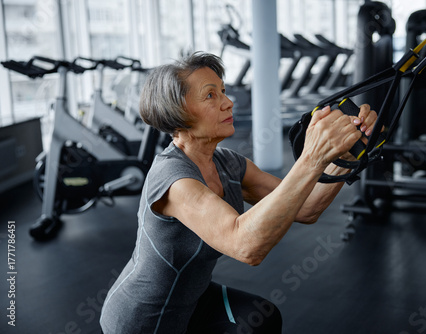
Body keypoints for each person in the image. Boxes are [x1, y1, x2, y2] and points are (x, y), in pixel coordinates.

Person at [100, 51, 379, 334]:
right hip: (141, 319)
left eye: (223, 91)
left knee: (261, 320)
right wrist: (312, 157)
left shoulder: (228, 163)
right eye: (211, 96)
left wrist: (348, 154)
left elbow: (306, 207)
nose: (228, 102)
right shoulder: (172, 179)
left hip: (192, 300)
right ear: (178, 111)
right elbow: (246, 246)